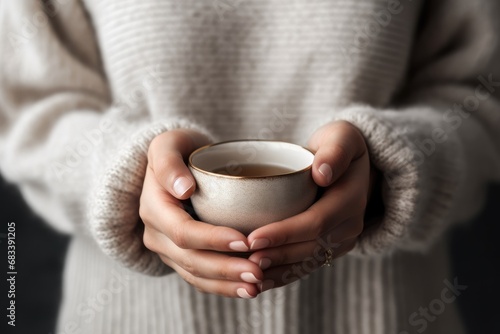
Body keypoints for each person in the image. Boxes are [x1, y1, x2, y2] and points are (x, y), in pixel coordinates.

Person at [1, 0, 499, 333]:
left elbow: (481, 95)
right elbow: (25, 108)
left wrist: (390, 171)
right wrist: (124, 174)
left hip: (388, 314)